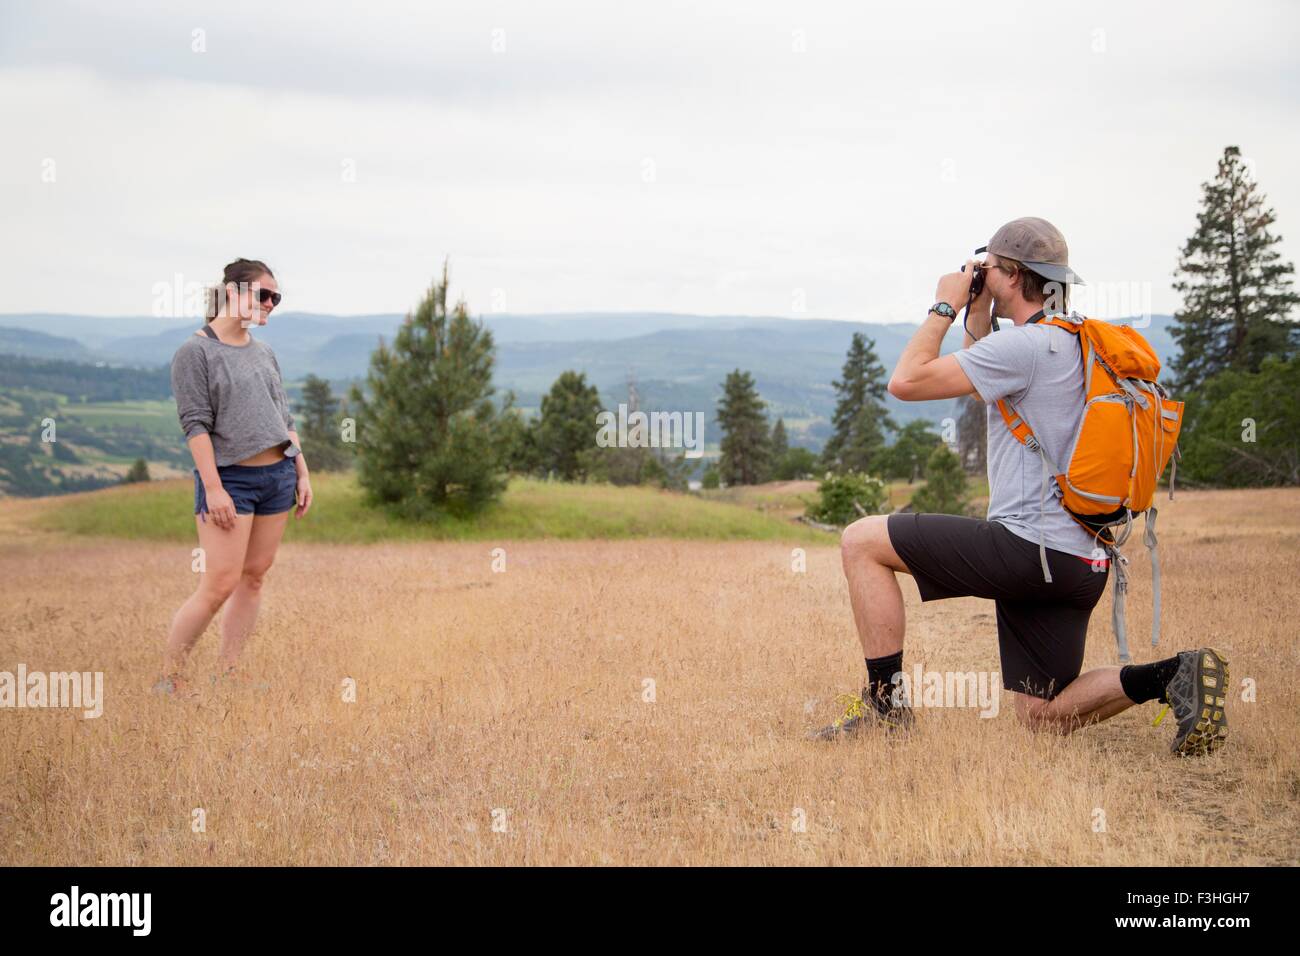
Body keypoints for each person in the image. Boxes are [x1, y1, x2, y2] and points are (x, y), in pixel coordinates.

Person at [814, 217, 1228, 756]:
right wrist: (979, 316)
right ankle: (1175, 675)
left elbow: (906, 382)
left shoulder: (1027, 349)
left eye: (989, 268)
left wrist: (944, 304)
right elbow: (986, 389)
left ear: (1011, 274)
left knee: (861, 541)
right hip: (1083, 561)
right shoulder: (1079, 344)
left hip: (1028, 549)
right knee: (1042, 716)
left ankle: (884, 711)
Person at [155, 258, 314, 694]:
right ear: (232, 291)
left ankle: (229, 671)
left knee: (255, 575)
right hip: (231, 483)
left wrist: (301, 472)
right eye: (264, 294)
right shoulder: (195, 352)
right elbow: (195, 425)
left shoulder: (264, 353)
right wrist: (214, 490)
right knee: (219, 583)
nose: (270, 304)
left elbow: (284, 417)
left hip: (279, 476)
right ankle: (170, 679)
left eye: (275, 298)